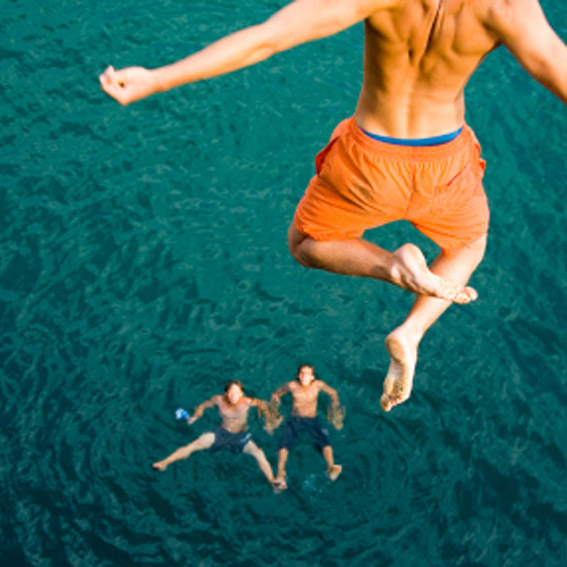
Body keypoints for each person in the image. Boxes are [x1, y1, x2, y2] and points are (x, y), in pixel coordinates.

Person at [100, 1, 567, 412]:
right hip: (443, 163)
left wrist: (158, 80)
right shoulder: (508, 7)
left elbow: (267, 39)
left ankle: (392, 266)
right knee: (469, 244)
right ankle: (412, 331)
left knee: (305, 242)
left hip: (368, 160)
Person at [153, 380, 277, 487]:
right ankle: (165, 463)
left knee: (259, 454)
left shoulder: (248, 402)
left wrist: (268, 422)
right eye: (231, 392)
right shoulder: (218, 400)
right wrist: (195, 416)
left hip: (240, 436)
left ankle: (272, 481)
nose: (234, 395)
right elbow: (202, 406)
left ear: (242, 393)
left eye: (237, 392)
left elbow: (264, 405)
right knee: (194, 445)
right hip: (221, 433)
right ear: (226, 393)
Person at [269, 365, 343, 490]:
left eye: (308, 374)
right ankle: (281, 473)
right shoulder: (292, 385)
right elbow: (276, 393)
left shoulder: (318, 385)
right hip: (294, 419)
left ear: (312, 377)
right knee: (284, 445)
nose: (304, 376)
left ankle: (330, 467)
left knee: (325, 442)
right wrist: (275, 408)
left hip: (312, 420)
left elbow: (333, 392)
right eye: (302, 373)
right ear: (298, 375)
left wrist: (335, 405)